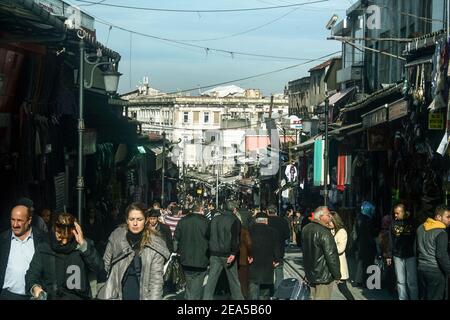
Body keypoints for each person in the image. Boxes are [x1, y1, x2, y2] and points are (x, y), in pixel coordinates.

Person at [97, 203, 170, 300]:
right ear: (127, 220)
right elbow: (104, 266)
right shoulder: (116, 238)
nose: (135, 223)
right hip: (116, 294)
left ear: (146, 220)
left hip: (143, 295)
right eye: (131, 219)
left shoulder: (155, 245)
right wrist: (102, 289)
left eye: (139, 219)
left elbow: (156, 282)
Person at [25, 212, 104, 300]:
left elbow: (99, 268)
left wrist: (83, 246)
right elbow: (32, 275)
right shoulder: (44, 247)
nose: (65, 242)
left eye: (68, 237)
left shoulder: (83, 247)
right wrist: (36, 288)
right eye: (60, 236)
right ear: (54, 229)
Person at [0, 205, 47, 299]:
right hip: (8, 295)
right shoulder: (2, 239)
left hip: (34, 296)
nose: (15, 224)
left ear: (29, 220)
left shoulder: (42, 239)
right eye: (12, 220)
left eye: (19, 220)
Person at [203, 201, 244, 300]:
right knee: (233, 281)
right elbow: (235, 238)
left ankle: (206, 298)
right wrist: (234, 253)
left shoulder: (214, 219)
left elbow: (207, 234)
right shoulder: (235, 220)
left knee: (211, 280)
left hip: (214, 253)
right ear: (234, 210)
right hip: (228, 254)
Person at [301, 206, 341, 300]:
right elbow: (331, 256)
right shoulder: (324, 232)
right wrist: (337, 275)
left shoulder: (306, 229)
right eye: (328, 215)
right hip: (323, 276)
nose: (330, 217)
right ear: (320, 216)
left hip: (310, 274)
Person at [174, 203, 210, 300]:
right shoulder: (206, 222)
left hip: (186, 258)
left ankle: (189, 298)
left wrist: (176, 252)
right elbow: (211, 239)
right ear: (201, 209)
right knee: (197, 287)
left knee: (189, 284)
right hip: (202, 258)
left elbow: (176, 239)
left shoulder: (183, 221)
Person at [416, 205, 450, 300]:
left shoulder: (420, 228)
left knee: (423, 296)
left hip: (421, 269)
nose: (449, 220)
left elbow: (415, 249)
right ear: (438, 217)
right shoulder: (441, 232)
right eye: (447, 217)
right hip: (435, 271)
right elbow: (441, 255)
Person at [386, 203, 418, 300]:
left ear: (404, 213)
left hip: (410, 255)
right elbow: (391, 240)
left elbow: (417, 239)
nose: (395, 215)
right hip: (397, 256)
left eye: (397, 213)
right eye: (394, 213)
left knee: (412, 281)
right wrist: (389, 255)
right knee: (400, 281)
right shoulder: (393, 224)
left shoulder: (412, 223)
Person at [248, 213, 281, 300]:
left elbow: (245, 246)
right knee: (265, 287)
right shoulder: (273, 232)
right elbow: (277, 248)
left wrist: (247, 256)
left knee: (253, 284)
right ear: (266, 221)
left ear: (256, 220)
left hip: (253, 262)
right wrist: (277, 260)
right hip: (267, 263)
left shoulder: (249, 231)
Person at [329, 212, 354, 300]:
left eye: (330, 222)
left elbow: (341, 248)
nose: (328, 224)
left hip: (339, 264)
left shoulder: (342, 231)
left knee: (343, 288)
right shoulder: (331, 231)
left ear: (335, 221)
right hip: (331, 263)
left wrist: (328, 247)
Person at [354, 201, 377, 288]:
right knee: (367, 264)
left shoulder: (359, 219)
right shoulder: (367, 220)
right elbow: (370, 234)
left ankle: (361, 281)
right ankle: (366, 282)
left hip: (361, 244)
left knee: (362, 263)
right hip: (367, 245)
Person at [267, 205, 290, 291]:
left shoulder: (266, 221)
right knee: (279, 270)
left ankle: (269, 290)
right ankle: (278, 290)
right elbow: (287, 235)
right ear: (276, 212)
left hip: (267, 250)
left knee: (268, 271)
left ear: (267, 212)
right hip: (280, 249)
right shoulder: (283, 221)